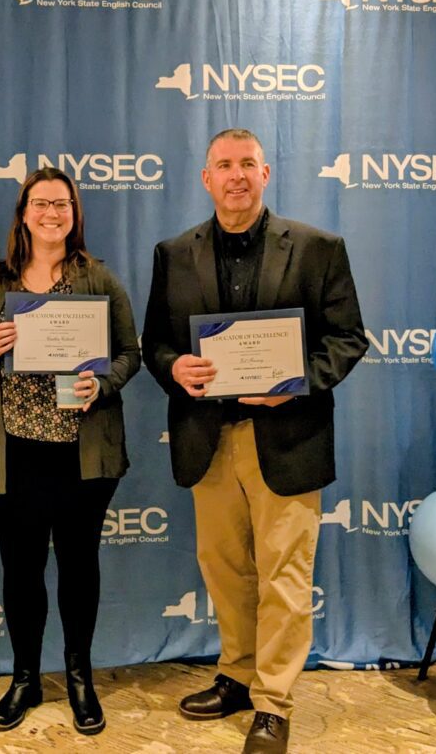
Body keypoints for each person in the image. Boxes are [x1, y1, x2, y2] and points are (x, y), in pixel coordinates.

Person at [142, 129, 367, 754]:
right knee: (225, 570)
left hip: (288, 437)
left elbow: (348, 339)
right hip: (208, 439)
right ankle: (237, 676)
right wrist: (174, 367)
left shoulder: (319, 248)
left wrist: (296, 384)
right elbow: (155, 342)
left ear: (266, 173)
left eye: (247, 164)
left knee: (285, 578)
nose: (236, 175)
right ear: (206, 178)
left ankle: (273, 702)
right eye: (223, 165)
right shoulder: (172, 252)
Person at [0, 167, 140, 735]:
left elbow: (129, 353)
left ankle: (80, 675)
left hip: (81, 456)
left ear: (74, 213)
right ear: (24, 213)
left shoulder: (99, 278)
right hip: (16, 452)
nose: (51, 214)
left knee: (80, 569)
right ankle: (25, 677)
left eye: (61, 205)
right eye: (41, 204)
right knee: (21, 571)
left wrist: (102, 383)